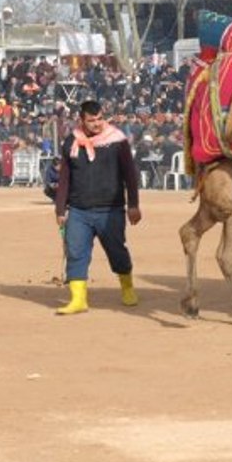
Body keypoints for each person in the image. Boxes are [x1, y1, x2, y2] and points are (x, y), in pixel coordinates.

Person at [54, 100, 142, 314]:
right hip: (78, 210)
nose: (97, 124)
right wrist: (60, 209)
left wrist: (133, 205)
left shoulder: (117, 141)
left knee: (117, 251)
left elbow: (130, 175)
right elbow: (64, 177)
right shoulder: (71, 142)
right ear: (81, 120)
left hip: (110, 210)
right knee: (75, 252)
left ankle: (127, 287)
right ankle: (78, 299)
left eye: (100, 118)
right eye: (91, 120)